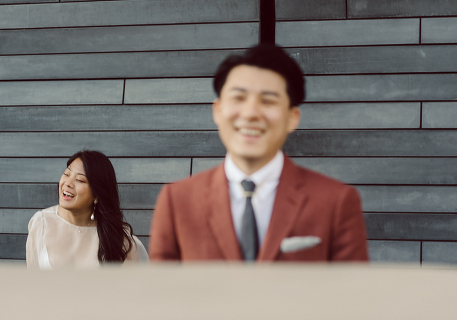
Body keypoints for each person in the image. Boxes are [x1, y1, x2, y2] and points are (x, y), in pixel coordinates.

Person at [149, 44, 368, 262]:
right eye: (239, 97)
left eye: (268, 101)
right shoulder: (177, 201)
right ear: (217, 110)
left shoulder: (336, 202)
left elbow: (355, 294)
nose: (251, 113)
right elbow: (159, 294)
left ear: (292, 117)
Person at [26, 150, 148, 268]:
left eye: (80, 180)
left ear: (97, 194)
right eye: (66, 174)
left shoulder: (118, 238)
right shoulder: (41, 222)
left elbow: (132, 285)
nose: (68, 183)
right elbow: (32, 280)